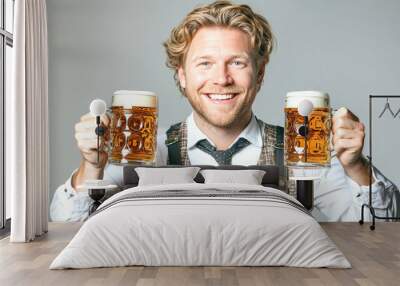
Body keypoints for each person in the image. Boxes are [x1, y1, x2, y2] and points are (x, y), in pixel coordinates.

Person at [50, 0, 399, 222]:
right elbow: (64, 226)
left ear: (259, 75)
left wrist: (356, 166)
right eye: (205, 63)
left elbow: (382, 227)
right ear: (182, 76)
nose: (221, 78)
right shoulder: (143, 151)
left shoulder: (302, 153)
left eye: (237, 62)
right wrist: (90, 166)